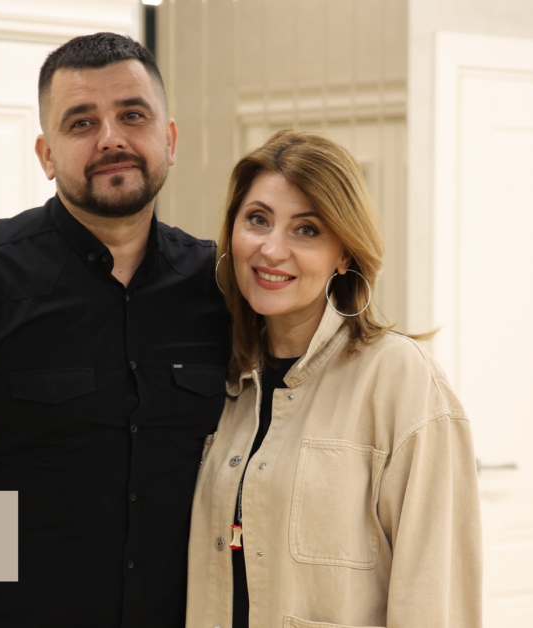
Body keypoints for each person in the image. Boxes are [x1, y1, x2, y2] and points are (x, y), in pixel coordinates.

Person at [0, 33, 231, 628]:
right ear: (46, 155)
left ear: (170, 139)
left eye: (132, 115)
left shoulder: (222, 288)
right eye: (81, 122)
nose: (111, 138)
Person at [186, 130, 482, 628]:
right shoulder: (221, 379)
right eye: (257, 219)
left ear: (344, 254)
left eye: (306, 230)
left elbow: (437, 596)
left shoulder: (400, 380)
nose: (271, 249)